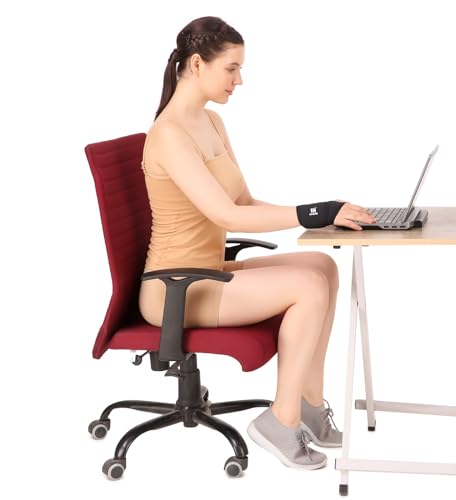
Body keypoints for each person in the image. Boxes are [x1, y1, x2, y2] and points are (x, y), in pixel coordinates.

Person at [138, 16, 376, 471]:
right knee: (308, 287)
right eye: (231, 68)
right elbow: (227, 216)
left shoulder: (211, 121)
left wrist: (323, 219)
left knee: (322, 266)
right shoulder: (168, 135)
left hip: (208, 270)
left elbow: (243, 202)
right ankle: (280, 421)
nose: (239, 80)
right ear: (196, 64)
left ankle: (308, 405)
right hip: (175, 287)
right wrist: (313, 212)